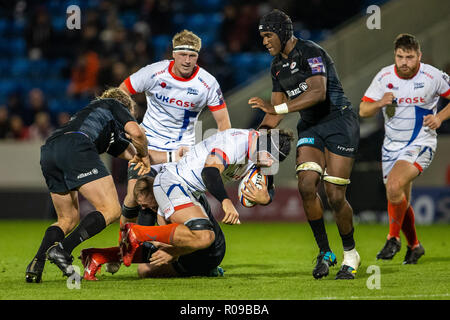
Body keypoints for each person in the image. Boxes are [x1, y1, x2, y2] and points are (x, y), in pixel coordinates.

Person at [79, 128, 293, 280]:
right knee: (203, 237)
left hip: (188, 191)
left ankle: (98, 255)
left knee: (203, 251)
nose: (268, 163)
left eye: (274, 161)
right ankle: (139, 233)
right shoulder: (235, 142)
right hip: (174, 183)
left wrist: (266, 199)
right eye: (269, 157)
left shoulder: (261, 153)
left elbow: (268, 188)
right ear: (262, 142)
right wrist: (226, 201)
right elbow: (210, 172)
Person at [249, 9, 360, 280]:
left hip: (339, 123)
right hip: (310, 127)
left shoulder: (311, 52)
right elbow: (274, 112)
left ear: (283, 32)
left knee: (335, 195)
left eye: (268, 35)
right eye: (262, 37)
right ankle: (325, 253)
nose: (264, 41)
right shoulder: (277, 66)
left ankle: (350, 253)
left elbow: (318, 93)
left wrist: (279, 107)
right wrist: (256, 138)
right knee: (306, 184)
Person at [25, 88, 151, 283]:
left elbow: (133, 156)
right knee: (111, 209)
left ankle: (36, 263)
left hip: (50, 150)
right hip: (76, 146)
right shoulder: (114, 104)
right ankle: (63, 249)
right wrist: (143, 154)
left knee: (67, 219)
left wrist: (154, 158)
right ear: (126, 108)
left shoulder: (99, 125)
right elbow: (137, 134)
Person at [118, 29, 231, 228]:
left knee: (170, 206)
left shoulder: (208, 83)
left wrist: (219, 158)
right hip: (148, 144)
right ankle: (122, 251)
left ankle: (164, 254)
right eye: (183, 55)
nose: (187, 60)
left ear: (198, 56)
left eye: (192, 56)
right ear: (173, 54)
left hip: (183, 151)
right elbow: (121, 93)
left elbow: (224, 125)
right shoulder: (153, 72)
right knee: (135, 197)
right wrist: (130, 125)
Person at [360, 33, 450, 264]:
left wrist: (439, 118)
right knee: (398, 196)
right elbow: (363, 110)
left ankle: (393, 238)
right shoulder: (384, 76)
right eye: (400, 56)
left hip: (421, 142)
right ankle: (415, 246)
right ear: (395, 55)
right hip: (391, 147)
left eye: (410, 57)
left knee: (393, 186)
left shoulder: (432, 75)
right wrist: (380, 103)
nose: (404, 62)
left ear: (418, 55)